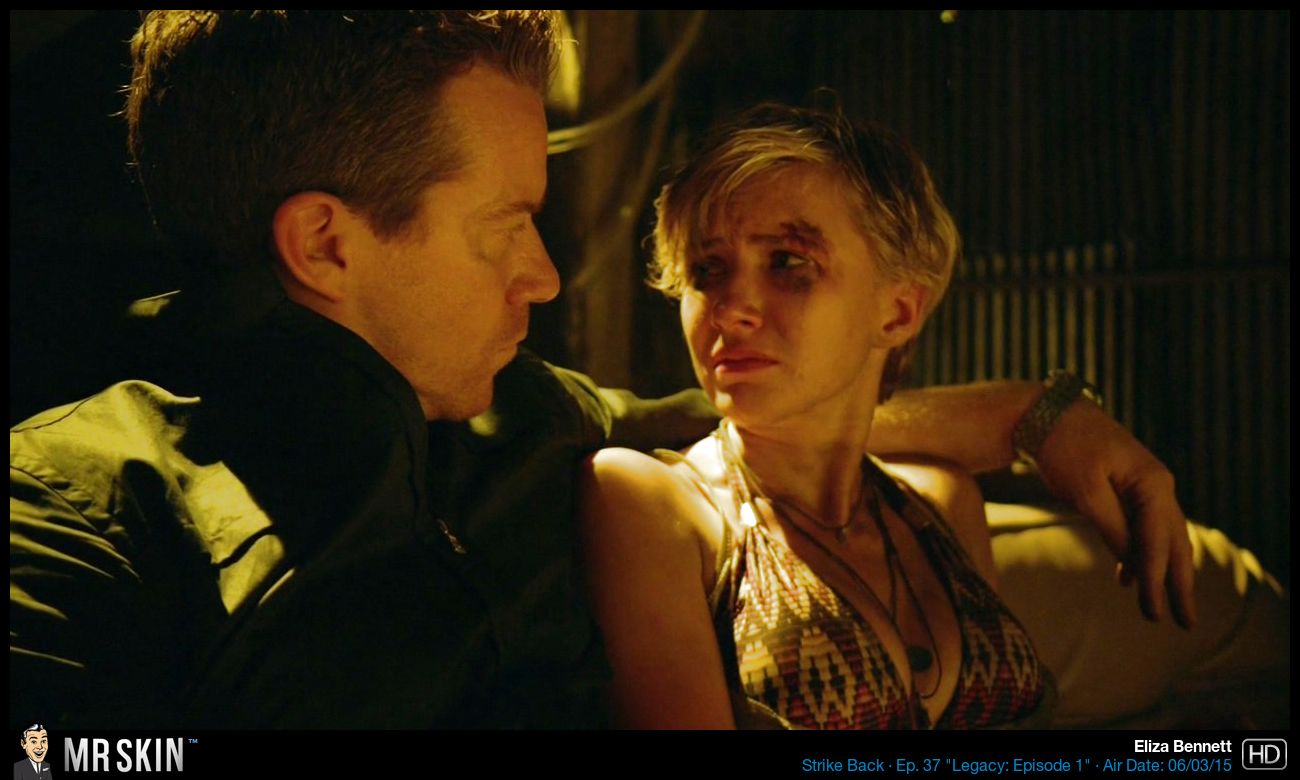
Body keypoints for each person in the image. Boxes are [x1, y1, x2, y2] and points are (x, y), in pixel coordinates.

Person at [10, 11, 1192, 729]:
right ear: (326, 244)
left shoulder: (531, 417)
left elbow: (778, 414)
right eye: (505, 227)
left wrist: (1040, 416)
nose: (543, 277)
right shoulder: (70, 512)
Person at [582, 105, 1048, 728]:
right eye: (707, 270)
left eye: (787, 262)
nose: (729, 309)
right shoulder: (651, 503)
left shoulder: (941, 499)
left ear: (898, 312)